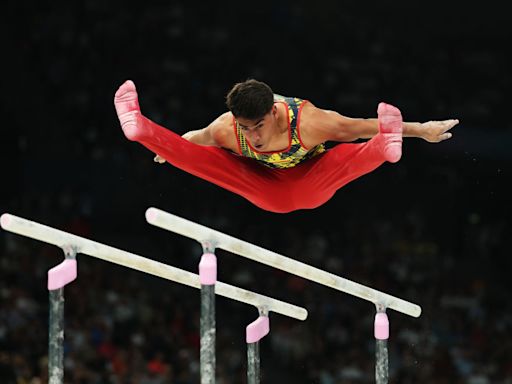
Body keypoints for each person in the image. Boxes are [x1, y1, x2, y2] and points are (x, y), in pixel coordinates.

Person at [114, 79, 458, 213]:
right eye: (245, 129)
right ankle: (140, 127)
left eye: (258, 126)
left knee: (350, 153)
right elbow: (193, 142)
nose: (253, 137)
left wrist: (421, 130)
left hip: (312, 180)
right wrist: (167, 149)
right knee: (205, 159)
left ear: (274, 112)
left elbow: (355, 128)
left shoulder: (309, 122)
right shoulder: (226, 128)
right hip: (266, 189)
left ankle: (386, 144)